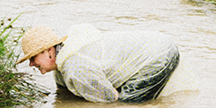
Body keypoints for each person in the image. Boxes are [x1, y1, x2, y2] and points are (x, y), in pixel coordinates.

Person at [18, 23, 181, 103]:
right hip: (157, 43)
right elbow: (64, 95)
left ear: (49, 51)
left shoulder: (74, 67)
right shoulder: (61, 61)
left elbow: (110, 99)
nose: (31, 64)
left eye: (33, 58)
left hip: (157, 55)